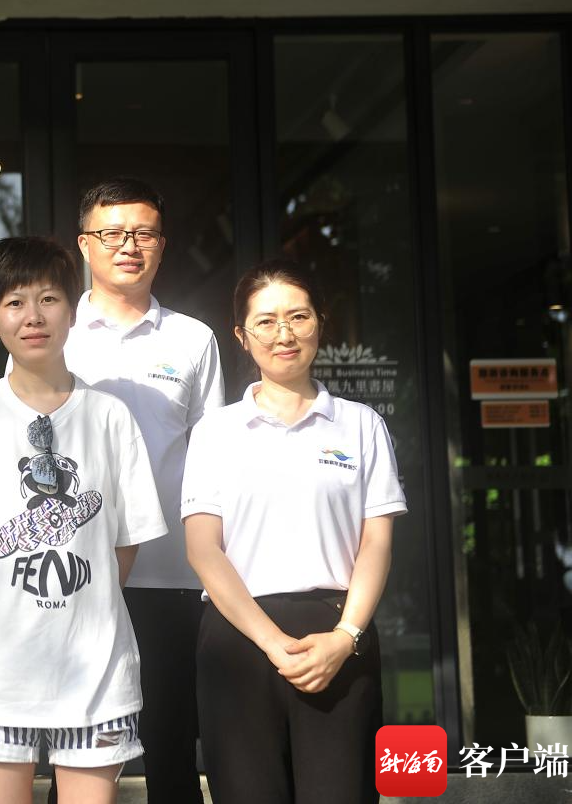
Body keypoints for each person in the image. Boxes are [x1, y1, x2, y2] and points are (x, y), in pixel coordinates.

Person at [0, 236, 167, 804]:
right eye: (14, 302)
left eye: (48, 299)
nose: (34, 316)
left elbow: (125, 542)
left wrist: (83, 601)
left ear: (72, 312)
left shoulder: (110, 416)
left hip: (95, 665)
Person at [182, 259, 406, 804]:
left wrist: (345, 637)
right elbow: (203, 549)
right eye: (266, 321)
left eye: (298, 317)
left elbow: (375, 541)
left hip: (337, 635)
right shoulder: (215, 431)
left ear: (320, 323)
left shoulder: (361, 424)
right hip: (239, 639)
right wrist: (273, 643)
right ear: (242, 336)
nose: (284, 334)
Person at [62, 177, 224, 804]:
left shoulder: (193, 339)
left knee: (172, 744)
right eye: (112, 233)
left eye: (143, 234)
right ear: (84, 244)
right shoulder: (54, 329)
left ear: (162, 244)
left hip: (171, 573)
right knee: (77, 744)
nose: (128, 245)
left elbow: (212, 456)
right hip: (75, 571)